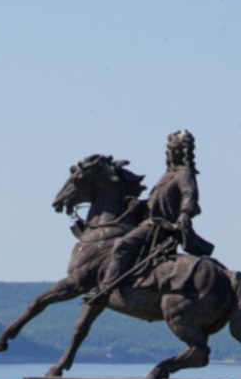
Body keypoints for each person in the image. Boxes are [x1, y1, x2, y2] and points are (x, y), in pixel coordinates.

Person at [85, 130, 215, 305]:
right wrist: (140, 205)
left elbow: (189, 194)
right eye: (169, 149)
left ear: (182, 152)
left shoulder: (184, 173)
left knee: (122, 246)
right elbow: (161, 201)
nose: (169, 152)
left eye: (174, 149)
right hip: (150, 222)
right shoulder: (169, 174)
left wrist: (185, 213)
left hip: (160, 226)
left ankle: (106, 288)